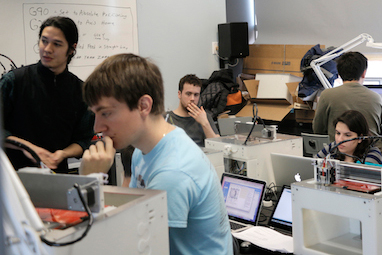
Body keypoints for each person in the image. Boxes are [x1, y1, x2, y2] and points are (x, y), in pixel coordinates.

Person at [79, 54, 233, 255]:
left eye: (106, 113)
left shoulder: (173, 172)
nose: (97, 127)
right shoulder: (144, 150)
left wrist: (90, 182)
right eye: (95, 114)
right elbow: (132, 216)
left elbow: (127, 247)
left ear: (143, 106)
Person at [0, 16, 94, 173]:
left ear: (71, 49)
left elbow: (84, 138)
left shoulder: (80, 90)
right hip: (12, 177)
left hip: (57, 175)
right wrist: (28, 148)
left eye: (57, 44)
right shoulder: (14, 80)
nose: (47, 49)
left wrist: (63, 153)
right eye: (44, 41)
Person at [312, 51, 382, 162]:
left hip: (343, 158)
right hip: (378, 158)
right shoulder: (376, 97)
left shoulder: (327, 95)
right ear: (364, 73)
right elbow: (379, 125)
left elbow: (318, 130)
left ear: (339, 73)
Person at [165, 74, 219, 147]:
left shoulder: (205, 117)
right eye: (188, 94)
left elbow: (218, 147)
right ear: (179, 94)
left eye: (196, 95)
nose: (192, 98)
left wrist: (205, 124)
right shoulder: (166, 118)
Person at [315, 110, 382, 164]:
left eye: (347, 135)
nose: (340, 139)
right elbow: (313, 163)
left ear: (360, 138)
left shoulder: (372, 154)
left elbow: (359, 177)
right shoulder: (333, 147)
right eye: (338, 133)